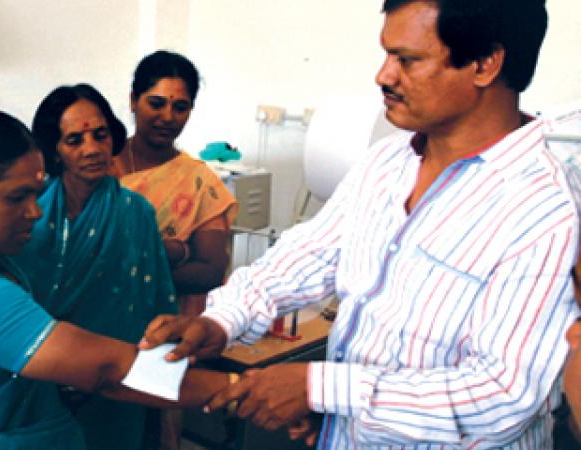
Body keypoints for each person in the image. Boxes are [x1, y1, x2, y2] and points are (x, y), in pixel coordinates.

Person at [141, 0, 581, 448]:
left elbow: (501, 396)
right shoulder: (387, 163)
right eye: (387, 54)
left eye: (407, 60)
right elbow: (303, 258)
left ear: (485, 64)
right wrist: (220, 321)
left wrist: (321, 388)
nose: (384, 75)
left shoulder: (542, 208)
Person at [0, 107, 230, 449]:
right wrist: (239, 386)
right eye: (17, 197)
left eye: (37, 192)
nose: (34, 211)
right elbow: (106, 370)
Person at [13, 83, 177, 450]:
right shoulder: (29, 211)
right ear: (54, 149)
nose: (92, 149)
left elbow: (157, 302)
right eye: (74, 140)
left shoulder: (135, 212)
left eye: (100, 135)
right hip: (38, 375)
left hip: (115, 379)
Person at [111, 50, 238, 317]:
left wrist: (132, 278)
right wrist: (177, 253)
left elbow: (211, 270)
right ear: (134, 100)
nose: (167, 117)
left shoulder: (199, 181)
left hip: (167, 323)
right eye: (156, 103)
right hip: (95, 320)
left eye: (180, 107)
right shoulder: (100, 165)